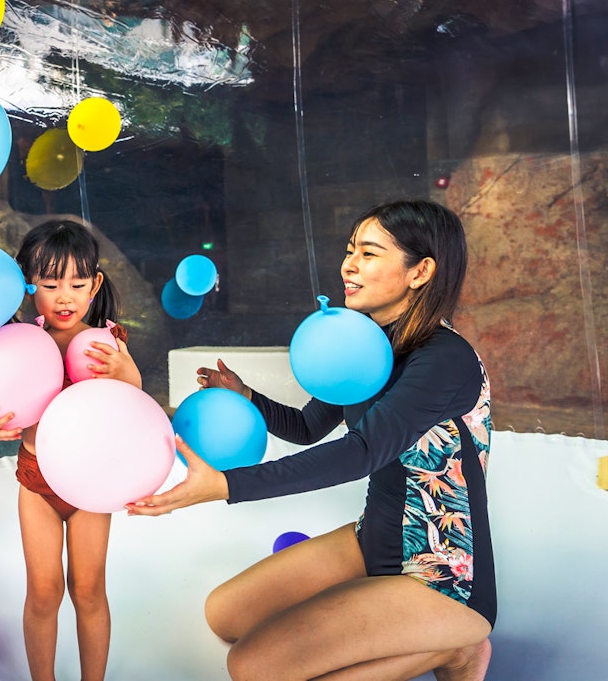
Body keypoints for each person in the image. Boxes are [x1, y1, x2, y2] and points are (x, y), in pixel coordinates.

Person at [128, 200, 496, 681]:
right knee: (226, 614)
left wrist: (225, 485)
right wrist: (249, 397)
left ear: (420, 271)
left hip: (442, 576)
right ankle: (422, 635)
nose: (348, 265)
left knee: (252, 668)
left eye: (368, 253)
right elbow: (307, 428)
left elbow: (360, 452)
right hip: (373, 544)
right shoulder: (361, 345)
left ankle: (459, 648)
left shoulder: (444, 359)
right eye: (349, 251)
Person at [0, 219, 142, 681]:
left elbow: (135, 397)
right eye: (49, 283)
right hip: (37, 480)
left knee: (88, 591)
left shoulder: (106, 342)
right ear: (27, 283)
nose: (64, 296)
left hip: (89, 484)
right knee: (43, 593)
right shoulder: (14, 343)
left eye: (77, 284)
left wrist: (125, 374)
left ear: (94, 284)